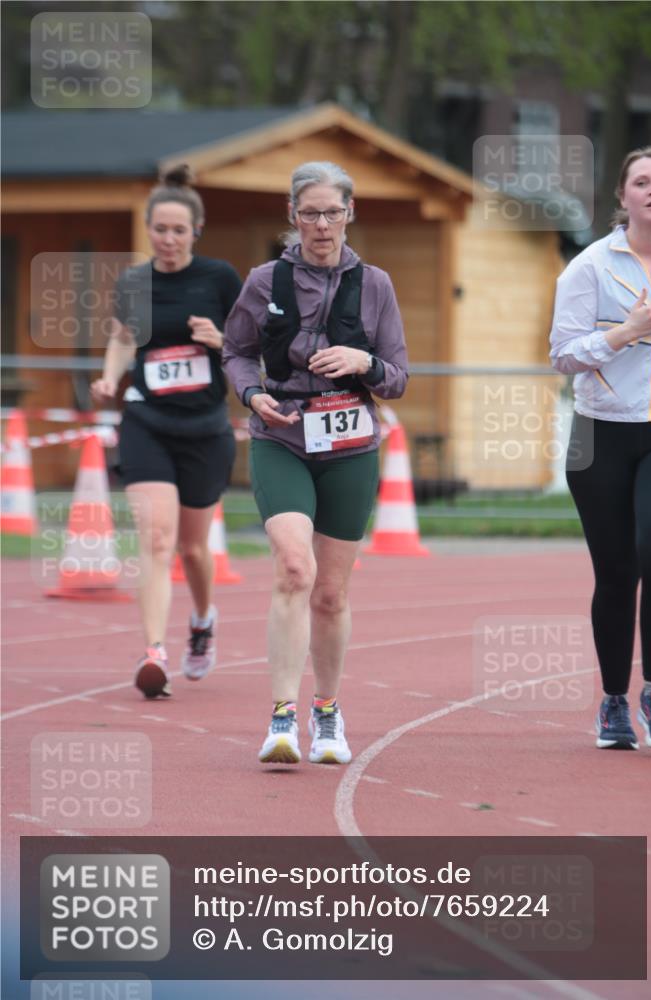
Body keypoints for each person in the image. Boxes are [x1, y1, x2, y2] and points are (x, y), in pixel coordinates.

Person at [223, 160, 409, 765]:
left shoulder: (376, 284)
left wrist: (363, 364)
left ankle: (327, 713)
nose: (321, 225)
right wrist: (253, 395)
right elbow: (237, 351)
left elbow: (400, 377)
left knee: (329, 593)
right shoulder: (264, 280)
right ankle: (282, 717)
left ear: (350, 213)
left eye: (332, 212)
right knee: (293, 570)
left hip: (351, 445)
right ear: (292, 216)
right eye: (310, 213)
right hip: (283, 438)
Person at [91, 165, 241, 698]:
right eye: (160, 229)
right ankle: (153, 649)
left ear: (195, 231)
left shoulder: (220, 278)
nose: (169, 239)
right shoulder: (133, 281)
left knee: (193, 550)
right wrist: (111, 377)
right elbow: (122, 338)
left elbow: (250, 350)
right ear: (148, 229)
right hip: (147, 422)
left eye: (179, 230)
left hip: (205, 428)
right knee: (155, 537)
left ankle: (201, 621)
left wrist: (218, 338)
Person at [550, 146, 651, 750]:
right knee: (616, 572)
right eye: (641, 181)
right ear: (622, 197)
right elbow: (562, 354)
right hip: (598, 434)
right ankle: (615, 702)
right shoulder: (590, 267)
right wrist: (625, 334)